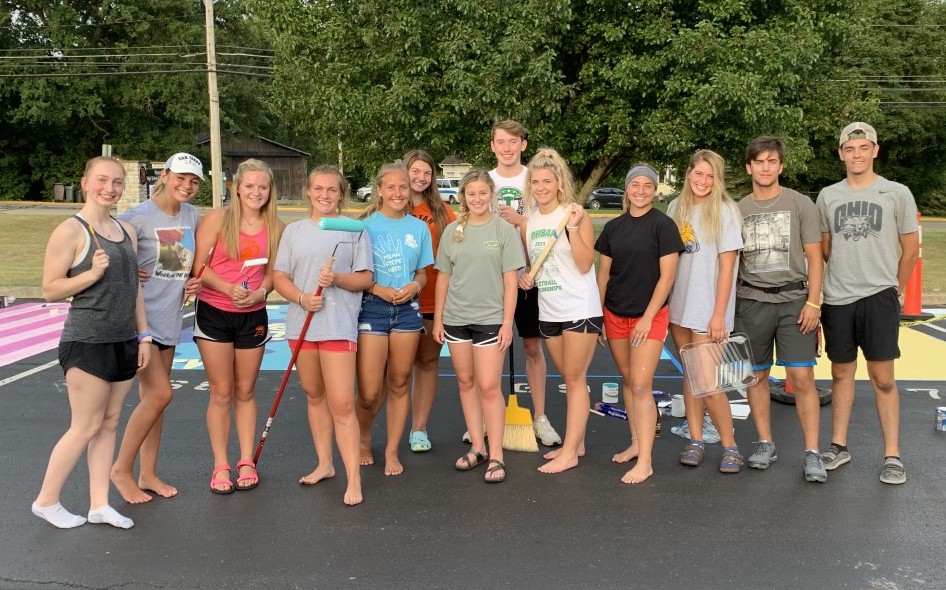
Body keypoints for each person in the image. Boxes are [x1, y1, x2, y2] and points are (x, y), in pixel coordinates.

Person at [32, 156, 150, 529]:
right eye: (101, 180)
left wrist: (143, 335)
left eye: (116, 182)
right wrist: (93, 273)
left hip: (123, 340)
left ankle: (99, 504)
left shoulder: (125, 231)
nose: (109, 188)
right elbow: (51, 289)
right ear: (85, 183)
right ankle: (47, 500)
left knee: (110, 422)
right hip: (86, 340)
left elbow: (135, 291)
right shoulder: (71, 230)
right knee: (84, 425)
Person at [817, 122, 919, 485]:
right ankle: (838, 446)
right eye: (850, 148)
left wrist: (896, 287)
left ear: (875, 150)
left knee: (883, 378)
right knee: (841, 372)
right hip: (839, 297)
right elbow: (825, 250)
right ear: (841, 153)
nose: (857, 154)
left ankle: (892, 455)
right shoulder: (828, 196)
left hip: (879, 296)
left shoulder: (896, 193)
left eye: (864, 147)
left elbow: (910, 249)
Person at [273, 166, 372, 505]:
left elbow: (364, 279)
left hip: (337, 324)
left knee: (342, 403)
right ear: (308, 191)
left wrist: (337, 280)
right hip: (303, 324)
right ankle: (325, 464)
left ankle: (354, 480)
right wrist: (301, 297)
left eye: (332, 190)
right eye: (319, 188)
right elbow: (280, 276)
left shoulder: (355, 230)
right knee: (314, 396)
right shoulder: (294, 232)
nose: (325, 195)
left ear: (341, 194)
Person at [110, 153, 204, 504]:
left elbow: (185, 264)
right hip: (140, 324)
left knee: (154, 401)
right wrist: (125, 270)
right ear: (164, 175)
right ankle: (121, 469)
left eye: (194, 181)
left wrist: (194, 281)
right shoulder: (135, 218)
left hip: (169, 320)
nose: (187, 186)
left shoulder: (192, 215)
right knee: (161, 394)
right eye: (180, 177)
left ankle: (148, 473)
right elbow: (100, 252)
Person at [735, 137, 827, 483]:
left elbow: (815, 258)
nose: (765, 167)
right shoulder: (738, 209)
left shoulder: (800, 204)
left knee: (801, 378)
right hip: (752, 302)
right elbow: (732, 263)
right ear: (749, 167)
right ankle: (764, 442)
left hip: (793, 302)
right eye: (759, 162)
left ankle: (812, 452)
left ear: (781, 166)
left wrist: (814, 302)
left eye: (772, 161)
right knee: (756, 376)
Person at [193, 158, 283, 494]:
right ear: (237, 188)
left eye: (262, 187)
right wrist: (227, 288)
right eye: (250, 186)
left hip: (253, 314)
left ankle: (247, 460)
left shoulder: (276, 226)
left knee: (245, 391)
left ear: (269, 190)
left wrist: (261, 290)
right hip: (216, 311)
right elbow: (198, 266)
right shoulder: (218, 218)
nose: (256, 192)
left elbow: (275, 273)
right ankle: (221, 465)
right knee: (222, 391)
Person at [433, 169, 524, 483]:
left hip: (491, 320)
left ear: (491, 194)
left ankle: (496, 454)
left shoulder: (503, 231)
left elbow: (510, 281)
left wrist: (507, 323)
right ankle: (477, 446)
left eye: (483, 193)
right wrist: (439, 318)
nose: (477, 199)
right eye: (471, 194)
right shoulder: (453, 231)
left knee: (488, 386)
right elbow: (443, 276)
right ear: (463, 197)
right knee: (466, 382)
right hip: (457, 319)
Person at [595, 163, 683, 484]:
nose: (642, 191)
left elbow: (667, 277)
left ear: (655, 190)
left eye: (648, 186)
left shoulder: (663, 226)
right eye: (636, 185)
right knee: (629, 380)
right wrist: (597, 317)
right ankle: (635, 443)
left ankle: (645, 460)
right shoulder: (613, 227)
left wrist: (647, 318)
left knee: (642, 386)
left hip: (650, 316)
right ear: (627, 188)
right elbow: (603, 275)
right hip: (615, 314)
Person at [517, 149, 601, 474]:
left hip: (579, 307)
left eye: (547, 181)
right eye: (535, 182)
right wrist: (527, 277)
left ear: (558, 182)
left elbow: (583, 264)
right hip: (548, 310)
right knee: (569, 376)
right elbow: (535, 266)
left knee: (575, 378)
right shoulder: (532, 221)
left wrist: (575, 229)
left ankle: (570, 449)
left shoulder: (573, 214)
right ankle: (576, 443)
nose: (541, 187)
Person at [667, 149, 745, 473]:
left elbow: (728, 268)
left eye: (710, 176)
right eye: (698, 174)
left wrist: (718, 315)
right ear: (688, 174)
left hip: (709, 308)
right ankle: (696, 439)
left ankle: (730, 446)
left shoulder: (726, 211)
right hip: (679, 304)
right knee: (690, 374)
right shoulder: (676, 207)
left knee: (708, 382)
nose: (703, 181)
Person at [355, 163, 433, 476]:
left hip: (407, 311)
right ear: (380, 191)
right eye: (392, 187)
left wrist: (414, 286)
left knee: (400, 382)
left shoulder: (419, 228)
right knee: (371, 391)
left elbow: (423, 273)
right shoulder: (365, 227)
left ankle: (391, 451)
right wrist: (377, 288)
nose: (398, 193)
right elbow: (357, 274)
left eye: (403, 187)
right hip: (373, 308)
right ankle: (363, 437)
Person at [492, 119, 561, 447]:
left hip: (530, 276)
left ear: (523, 145)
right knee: (489, 350)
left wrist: (522, 222)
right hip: (493, 280)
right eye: (500, 142)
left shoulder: (534, 179)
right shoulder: (484, 181)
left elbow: (549, 221)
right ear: (493, 146)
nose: (506, 148)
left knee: (533, 346)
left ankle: (540, 417)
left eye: (513, 142)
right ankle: (485, 417)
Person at [404, 150, 456, 453]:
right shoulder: (389, 203)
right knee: (392, 371)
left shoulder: (442, 211)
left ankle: (419, 429)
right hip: (394, 301)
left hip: (432, 299)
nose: (421, 177)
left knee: (426, 363)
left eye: (427, 172)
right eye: (415, 171)